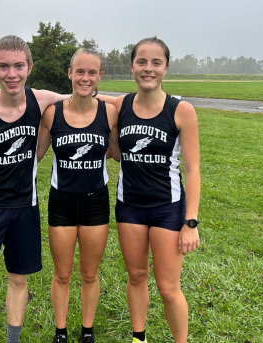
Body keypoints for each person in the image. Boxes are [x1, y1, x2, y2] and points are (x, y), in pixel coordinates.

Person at [0, 35, 70, 343]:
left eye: (18, 66)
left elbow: (81, 98)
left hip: (25, 209)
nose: (12, 74)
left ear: (29, 67)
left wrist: (132, 103)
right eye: (4, 66)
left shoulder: (41, 100)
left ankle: (13, 340)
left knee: (18, 280)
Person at [102, 37, 200, 343]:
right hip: (129, 206)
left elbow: (193, 170)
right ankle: (139, 337)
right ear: (131, 66)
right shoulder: (120, 105)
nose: (148, 69)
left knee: (169, 289)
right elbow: (81, 94)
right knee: (136, 276)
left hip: (167, 209)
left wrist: (190, 222)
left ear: (166, 68)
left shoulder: (181, 110)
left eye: (156, 62)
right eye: (141, 62)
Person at [37, 49, 119, 343]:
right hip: (61, 202)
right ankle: (61, 333)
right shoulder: (52, 114)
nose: (86, 78)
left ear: (99, 76)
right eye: (80, 72)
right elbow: (36, 154)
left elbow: (119, 154)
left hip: (96, 201)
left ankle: (87, 331)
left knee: (89, 273)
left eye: (92, 73)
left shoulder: (109, 113)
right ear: (70, 74)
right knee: (62, 274)